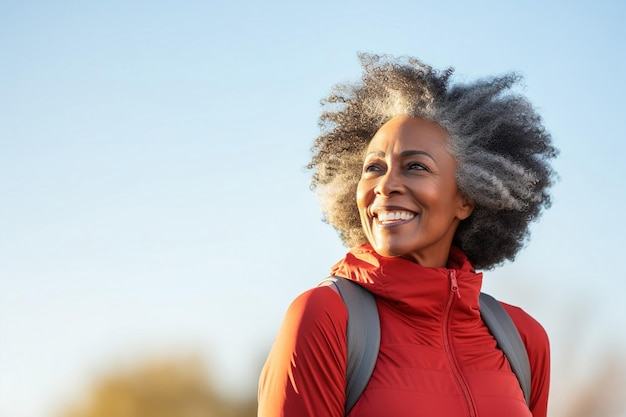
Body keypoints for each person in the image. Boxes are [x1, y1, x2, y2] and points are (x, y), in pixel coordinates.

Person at [258, 53, 557, 417]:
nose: (385, 186)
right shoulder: (326, 317)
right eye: (374, 168)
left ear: (466, 198)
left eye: (416, 166)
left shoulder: (523, 341)